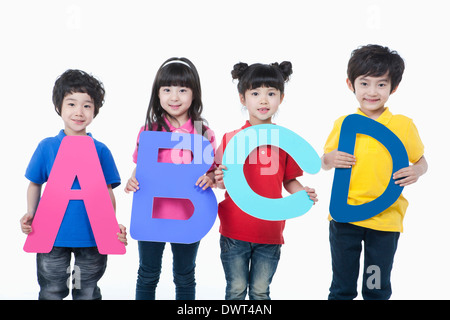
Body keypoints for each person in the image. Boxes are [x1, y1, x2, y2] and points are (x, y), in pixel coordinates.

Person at [322, 44, 428, 300]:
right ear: (351, 84)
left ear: (394, 87)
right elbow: (324, 161)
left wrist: (417, 170)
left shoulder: (403, 125)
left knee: (376, 288)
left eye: (381, 84)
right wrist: (330, 158)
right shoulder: (344, 124)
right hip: (345, 217)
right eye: (365, 83)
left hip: (384, 220)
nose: (372, 92)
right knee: (341, 287)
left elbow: (422, 160)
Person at [20, 69, 128, 300]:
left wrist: (110, 225)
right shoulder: (47, 146)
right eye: (71, 104)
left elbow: (107, 191)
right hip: (51, 236)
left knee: (87, 292)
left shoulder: (101, 150)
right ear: (59, 107)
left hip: (91, 237)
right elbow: (34, 184)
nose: (79, 112)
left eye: (87, 106)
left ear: (95, 111)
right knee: (51, 291)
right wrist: (31, 213)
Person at [214, 61, 318, 300]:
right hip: (234, 231)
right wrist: (218, 178)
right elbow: (220, 181)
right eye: (255, 93)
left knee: (261, 293)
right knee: (235, 291)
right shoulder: (231, 138)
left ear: (281, 98)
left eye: (271, 93)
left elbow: (290, 180)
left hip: (270, 231)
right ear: (242, 98)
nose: (263, 100)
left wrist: (303, 193)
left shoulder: (285, 142)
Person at [125, 57, 216, 300]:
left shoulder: (203, 133)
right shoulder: (148, 131)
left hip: (188, 214)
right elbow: (140, 168)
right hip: (152, 212)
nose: (174, 97)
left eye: (182, 90)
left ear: (194, 94)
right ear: (157, 94)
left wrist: (210, 178)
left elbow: (214, 172)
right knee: (147, 272)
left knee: (185, 274)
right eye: (167, 89)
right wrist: (132, 180)